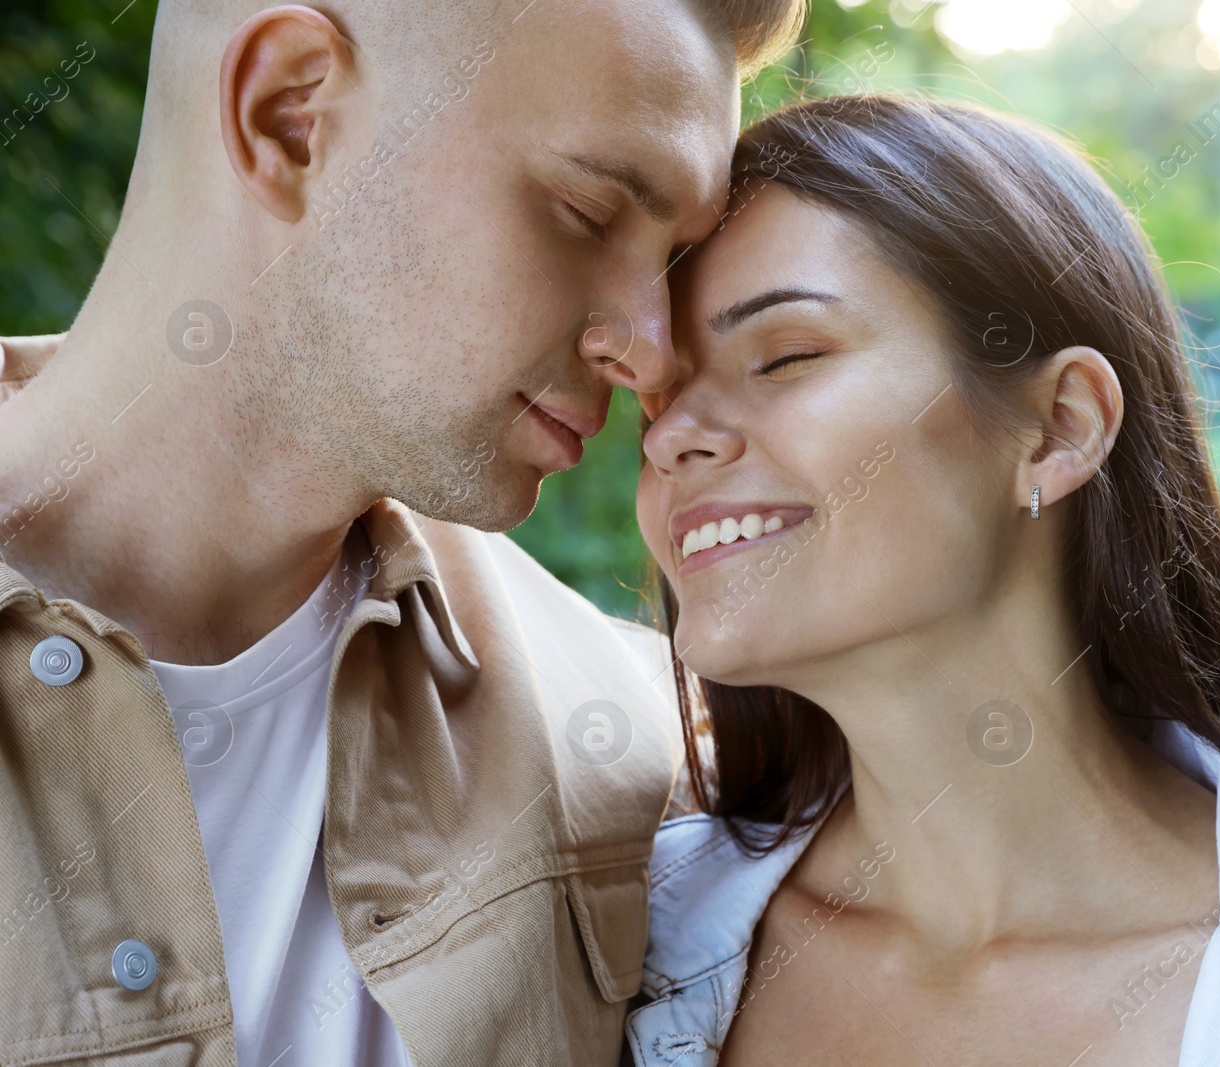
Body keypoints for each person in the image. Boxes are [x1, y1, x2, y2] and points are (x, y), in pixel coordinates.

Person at [626, 93, 1220, 1066]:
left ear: (1058, 428)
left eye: (784, 356)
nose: (670, 436)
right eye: (658, 399)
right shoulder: (613, 936)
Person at [0, 1, 801, 1065]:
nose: (653, 356)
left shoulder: (640, 756)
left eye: (675, 260)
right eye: (588, 211)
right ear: (290, 115)